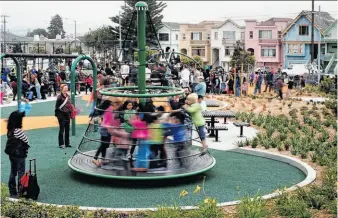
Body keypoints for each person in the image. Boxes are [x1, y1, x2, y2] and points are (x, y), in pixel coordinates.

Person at [5, 99, 31, 197]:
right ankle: (22, 190)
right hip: (20, 154)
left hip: (12, 154)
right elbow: (26, 141)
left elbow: (19, 114)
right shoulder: (18, 131)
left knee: (13, 171)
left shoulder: (10, 130)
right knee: (21, 172)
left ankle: (12, 190)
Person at [55, 84, 72, 148]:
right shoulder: (59, 97)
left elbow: (69, 104)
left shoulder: (68, 96)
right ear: (61, 89)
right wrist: (60, 114)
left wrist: (70, 112)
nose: (66, 89)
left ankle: (67, 143)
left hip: (67, 114)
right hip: (61, 114)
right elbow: (57, 107)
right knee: (62, 129)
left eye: (67, 88)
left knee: (67, 129)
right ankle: (61, 144)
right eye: (65, 88)